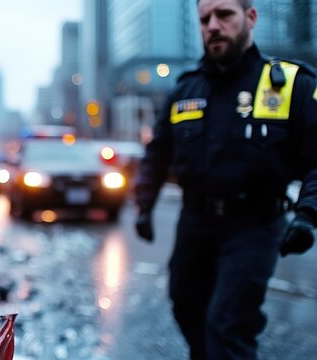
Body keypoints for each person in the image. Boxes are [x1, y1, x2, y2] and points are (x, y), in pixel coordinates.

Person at [134, 0, 317, 358]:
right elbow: (157, 154)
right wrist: (145, 204)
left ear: (251, 18)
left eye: (224, 15)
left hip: (254, 224)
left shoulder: (289, 85)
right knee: (186, 306)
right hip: (196, 223)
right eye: (204, 19)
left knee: (227, 325)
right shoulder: (186, 91)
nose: (212, 26)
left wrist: (308, 215)